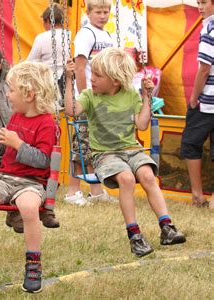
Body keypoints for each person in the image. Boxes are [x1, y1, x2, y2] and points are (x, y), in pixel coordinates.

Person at [64, 47, 186, 257]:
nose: (92, 79)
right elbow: (70, 111)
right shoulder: (90, 96)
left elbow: (142, 124)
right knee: (127, 179)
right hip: (105, 154)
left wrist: (147, 97)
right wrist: (68, 79)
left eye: (98, 75)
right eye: (92, 73)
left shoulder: (130, 94)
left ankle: (167, 227)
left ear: (116, 81)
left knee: (148, 175)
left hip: (131, 149)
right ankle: (134, 235)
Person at [0, 61, 57, 293]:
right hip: (4, 177)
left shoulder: (47, 123)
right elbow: (6, 146)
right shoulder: (16, 116)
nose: (8, 95)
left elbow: (44, 161)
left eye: (12, 90)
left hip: (31, 183)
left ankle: (33, 262)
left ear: (29, 94)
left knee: (28, 207)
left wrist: (20, 144)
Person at [68, 0, 115, 205]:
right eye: (98, 12)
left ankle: (96, 190)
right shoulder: (86, 34)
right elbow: (80, 67)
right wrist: (83, 95)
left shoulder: (107, 35)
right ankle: (72, 191)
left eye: (106, 12)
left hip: (103, 98)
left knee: (96, 145)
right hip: (88, 98)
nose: (103, 16)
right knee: (81, 144)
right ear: (89, 13)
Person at [180, 0, 214, 211]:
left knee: (191, 143)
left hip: (208, 99)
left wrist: (194, 97)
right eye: (198, 2)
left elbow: (204, 68)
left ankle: (197, 194)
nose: (200, 7)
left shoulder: (209, 28)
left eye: (204, 2)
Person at [27, 3, 71, 91]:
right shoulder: (68, 34)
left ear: (47, 20)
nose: (43, 25)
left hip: (48, 82)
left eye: (44, 22)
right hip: (66, 80)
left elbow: (30, 62)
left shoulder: (42, 38)